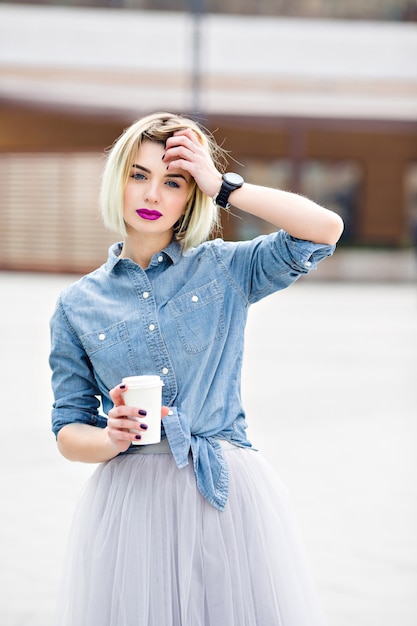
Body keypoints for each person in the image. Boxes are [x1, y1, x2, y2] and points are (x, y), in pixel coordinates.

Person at [49, 111, 344, 626]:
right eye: (138, 175)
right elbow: (69, 428)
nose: (152, 195)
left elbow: (323, 230)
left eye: (173, 182)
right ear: (118, 179)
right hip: (131, 505)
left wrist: (223, 186)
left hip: (225, 494)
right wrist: (109, 439)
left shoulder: (224, 268)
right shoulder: (78, 305)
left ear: (191, 197)